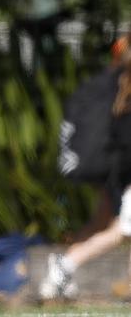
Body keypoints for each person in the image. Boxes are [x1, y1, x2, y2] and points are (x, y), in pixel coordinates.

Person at [39, 32, 131, 299]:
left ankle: (62, 270)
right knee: (119, 232)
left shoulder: (113, 87)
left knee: (106, 222)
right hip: (123, 175)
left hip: (116, 174)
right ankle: (64, 266)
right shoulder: (120, 93)